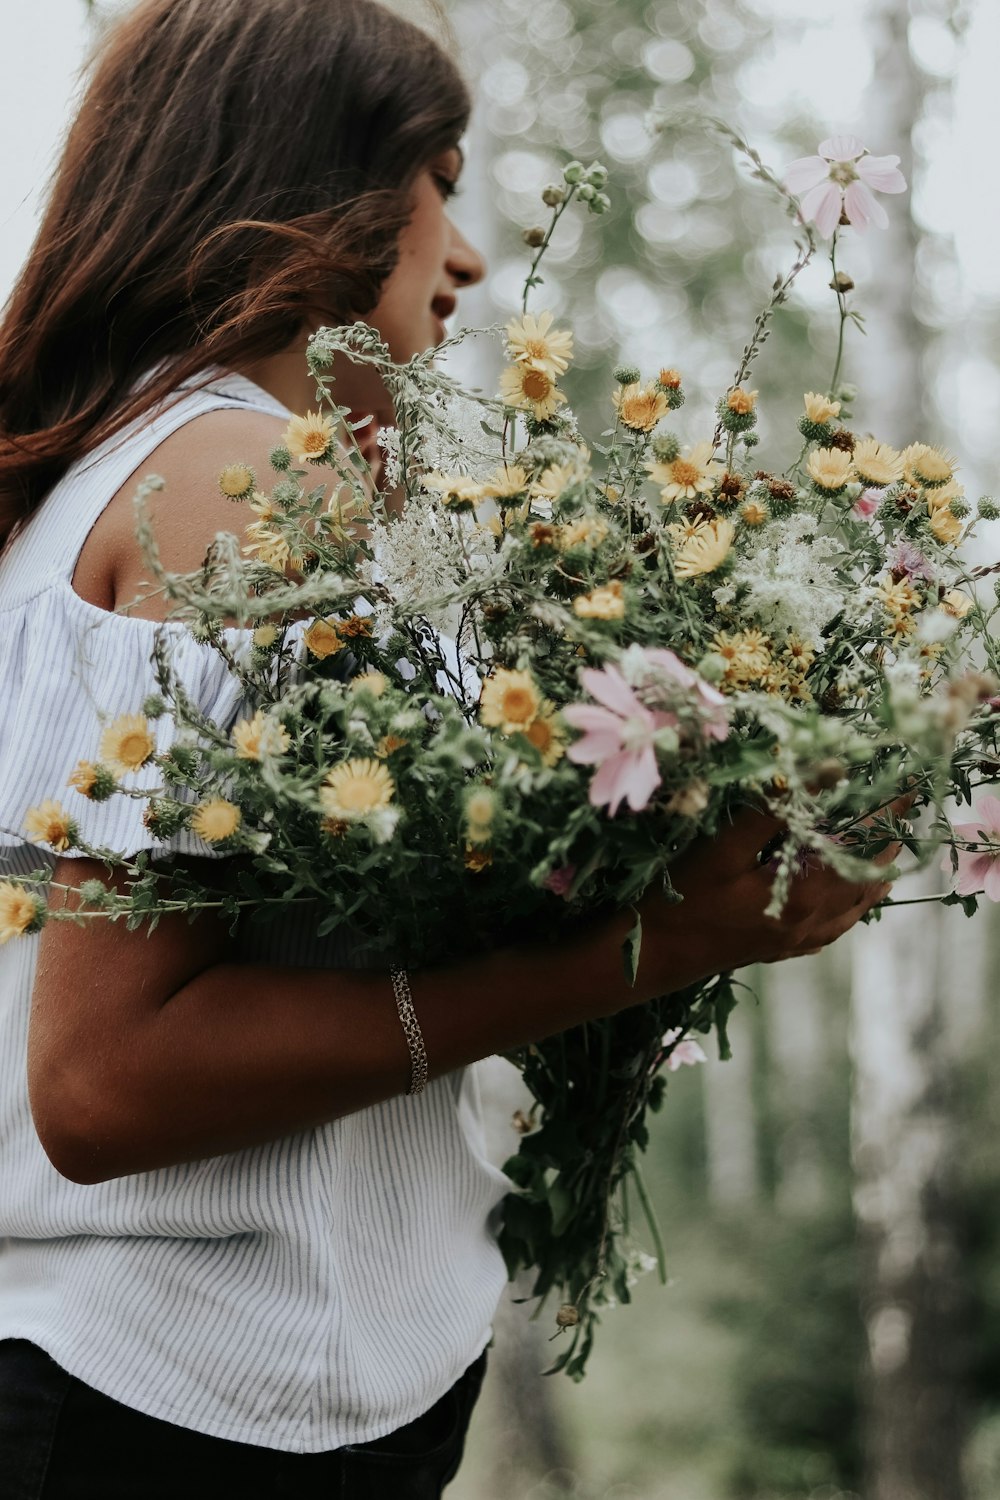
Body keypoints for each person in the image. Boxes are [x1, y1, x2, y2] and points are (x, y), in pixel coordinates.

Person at [0, 1, 896, 1494]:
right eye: (448, 182)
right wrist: (662, 943)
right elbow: (104, 1086)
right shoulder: (232, 480)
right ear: (324, 192)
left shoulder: (98, 481)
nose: (469, 260)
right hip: (179, 1403)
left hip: (255, 1389)